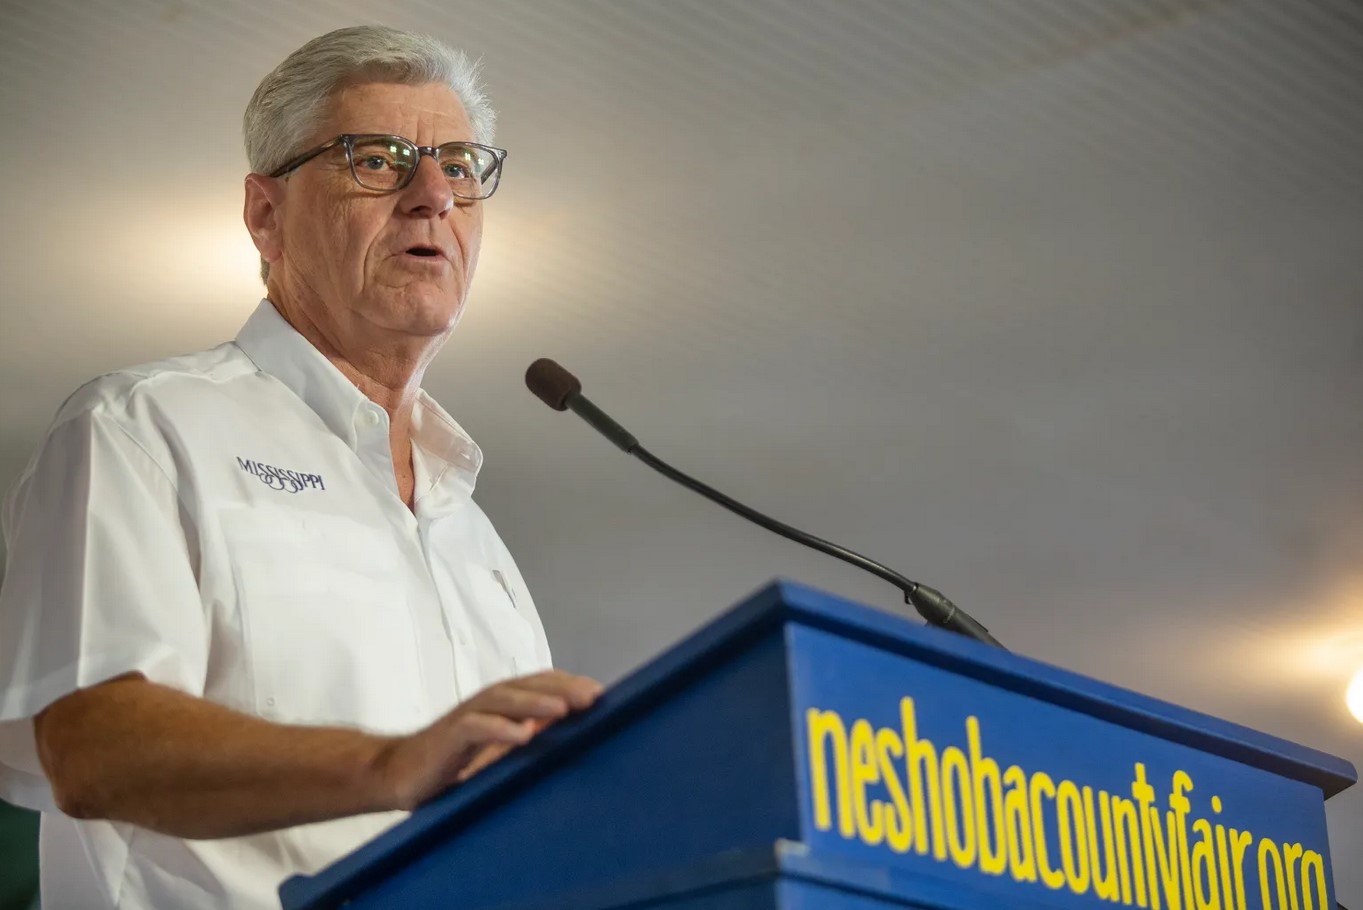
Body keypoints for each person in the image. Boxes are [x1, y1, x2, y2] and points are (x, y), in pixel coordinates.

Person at [0, 25, 601, 909]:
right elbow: (92, 745)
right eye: (377, 160)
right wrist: (390, 765)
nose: (433, 195)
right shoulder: (143, 429)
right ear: (265, 216)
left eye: (459, 165)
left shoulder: (475, 541)